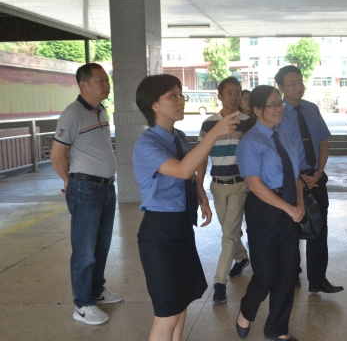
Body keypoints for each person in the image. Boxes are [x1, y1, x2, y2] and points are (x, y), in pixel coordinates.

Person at [132, 74, 239, 341]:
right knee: (167, 313)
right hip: (159, 232)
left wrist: (201, 195)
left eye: (181, 95)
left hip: (181, 225)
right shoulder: (147, 144)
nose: (181, 101)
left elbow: (189, 174)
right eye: (173, 96)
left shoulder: (177, 136)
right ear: (154, 104)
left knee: (180, 305)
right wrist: (214, 133)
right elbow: (181, 169)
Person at [50, 62, 123, 325]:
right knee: (84, 250)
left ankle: (96, 291)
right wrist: (69, 181)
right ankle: (82, 305)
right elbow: (57, 155)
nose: (106, 85)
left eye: (107, 80)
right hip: (86, 188)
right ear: (83, 85)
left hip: (106, 187)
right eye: (100, 81)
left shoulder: (100, 110)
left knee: (101, 246)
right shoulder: (72, 114)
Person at [235, 85, 304, 341]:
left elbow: (296, 176)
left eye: (280, 104)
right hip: (264, 209)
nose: (279, 109)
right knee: (266, 274)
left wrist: (299, 205)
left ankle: (277, 330)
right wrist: (289, 208)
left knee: (287, 272)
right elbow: (254, 185)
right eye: (273, 105)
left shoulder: (284, 135)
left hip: (290, 205)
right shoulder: (250, 141)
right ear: (257, 110)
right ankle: (247, 310)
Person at [275, 65, 343, 294]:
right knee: (291, 230)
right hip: (291, 180)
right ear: (281, 87)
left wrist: (319, 171)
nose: (298, 87)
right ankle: (291, 274)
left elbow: (323, 142)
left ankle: (318, 280)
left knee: (319, 227)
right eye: (292, 83)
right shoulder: (277, 114)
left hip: (315, 178)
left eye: (300, 81)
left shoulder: (312, 109)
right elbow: (277, 150)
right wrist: (297, 175)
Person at [197, 77, 251, 304]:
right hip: (217, 185)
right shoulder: (209, 124)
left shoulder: (248, 123)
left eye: (237, 92)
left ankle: (219, 282)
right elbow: (201, 157)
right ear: (219, 96)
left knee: (229, 233)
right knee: (230, 229)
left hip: (240, 185)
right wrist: (199, 188)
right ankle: (241, 257)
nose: (234, 97)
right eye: (229, 92)